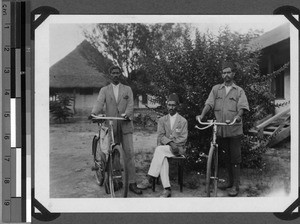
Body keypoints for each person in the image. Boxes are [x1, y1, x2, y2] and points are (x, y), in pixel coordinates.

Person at [197, 61, 249, 197]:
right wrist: (202, 115)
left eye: (228, 72)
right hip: (220, 130)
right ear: (222, 74)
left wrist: (238, 116)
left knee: (235, 159)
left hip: (234, 130)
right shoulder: (216, 89)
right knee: (225, 158)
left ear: (233, 74)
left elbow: (242, 107)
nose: (226, 75)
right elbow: (209, 103)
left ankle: (236, 186)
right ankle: (229, 182)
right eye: (224, 72)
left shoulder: (239, 91)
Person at [90, 65, 142, 195]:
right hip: (111, 125)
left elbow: (130, 105)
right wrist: (93, 113)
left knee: (129, 154)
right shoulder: (105, 90)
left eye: (118, 72)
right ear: (110, 75)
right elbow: (99, 103)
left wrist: (127, 114)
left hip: (125, 124)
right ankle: (117, 181)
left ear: (120, 74)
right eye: (113, 72)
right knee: (114, 155)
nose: (115, 75)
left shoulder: (127, 89)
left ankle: (132, 183)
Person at [137, 93, 188, 197]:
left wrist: (174, 144)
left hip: (179, 149)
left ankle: (150, 177)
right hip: (167, 148)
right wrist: (170, 143)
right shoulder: (162, 120)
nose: (171, 107)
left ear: (177, 106)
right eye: (169, 105)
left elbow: (183, 138)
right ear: (167, 105)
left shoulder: (183, 121)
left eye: (173, 105)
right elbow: (160, 136)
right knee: (162, 156)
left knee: (159, 150)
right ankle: (167, 188)